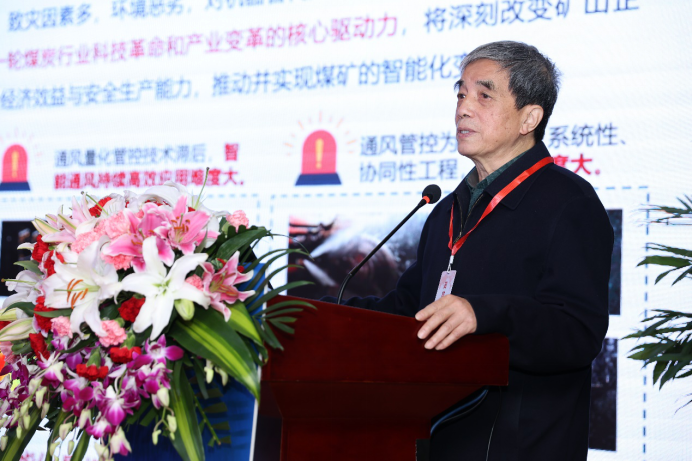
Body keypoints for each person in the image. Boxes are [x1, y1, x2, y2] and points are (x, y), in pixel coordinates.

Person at [326, 41, 614, 460]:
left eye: (484, 95)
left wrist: (484, 314)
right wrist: (324, 315)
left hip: (522, 447)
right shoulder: (445, 210)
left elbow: (577, 331)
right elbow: (410, 308)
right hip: (436, 440)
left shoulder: (570, 204)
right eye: (460, 94)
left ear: (529, 118)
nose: (463, 108)